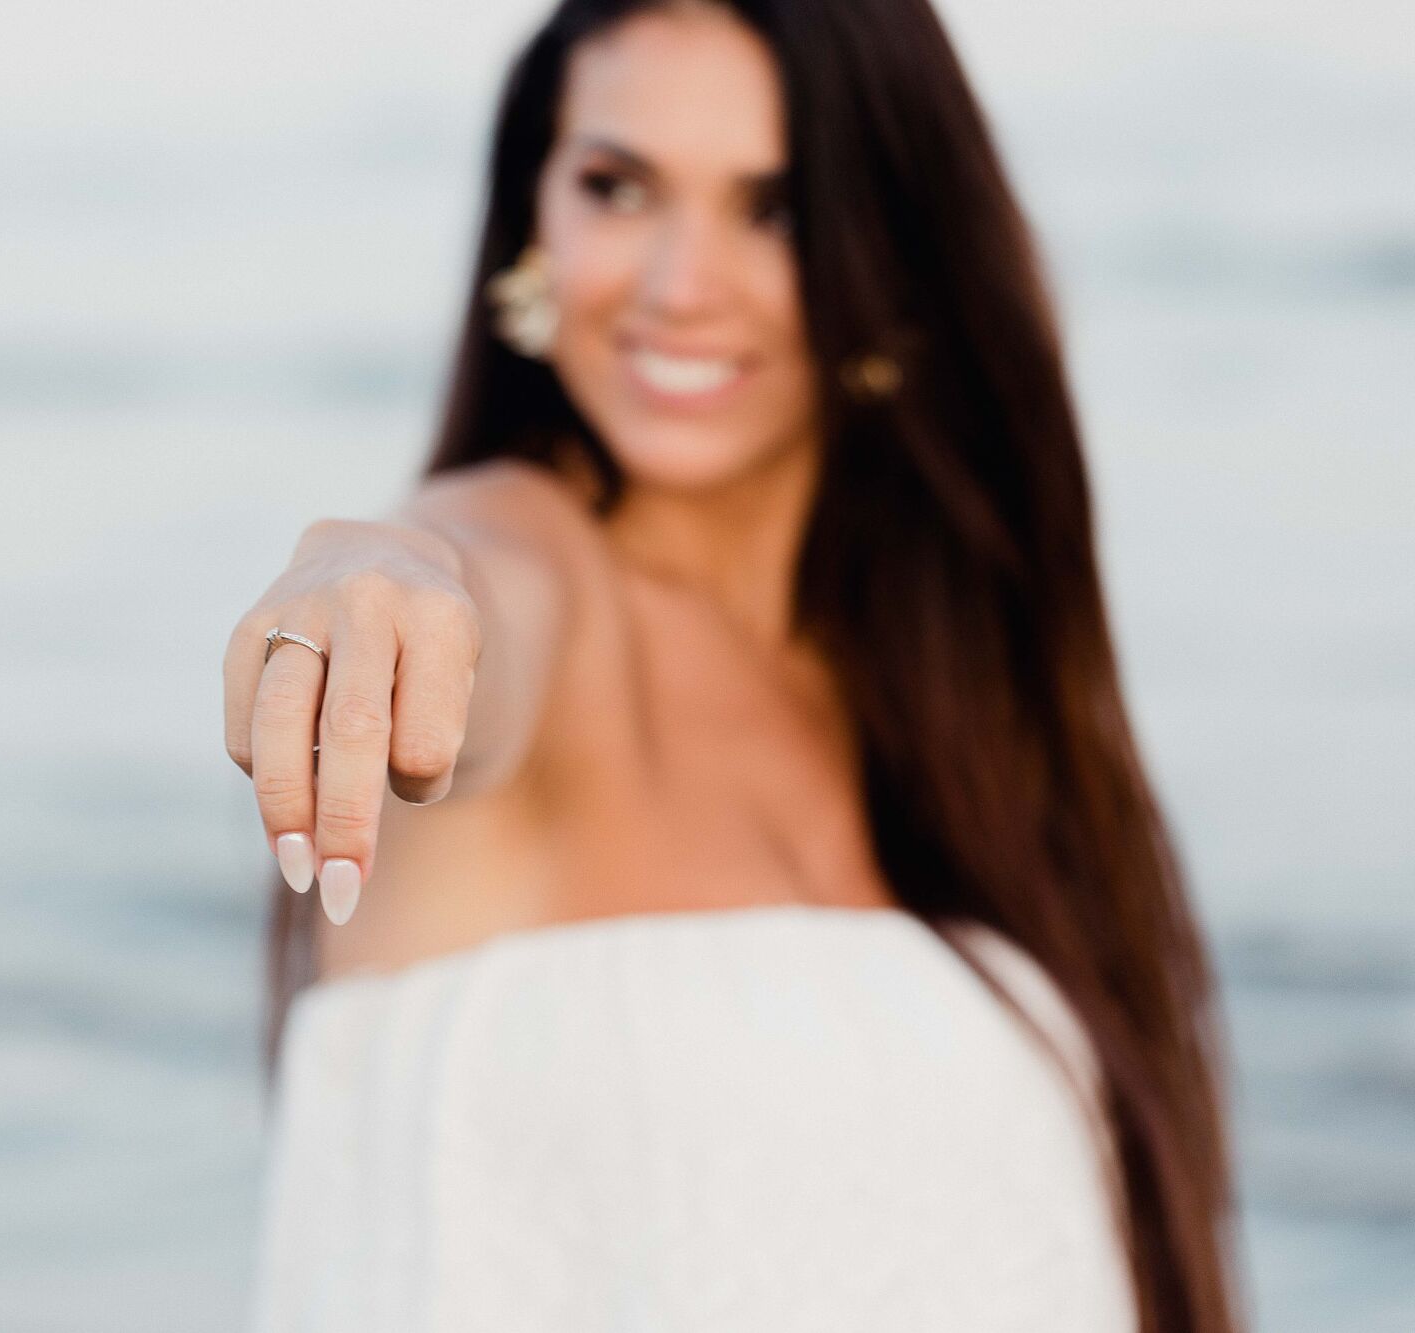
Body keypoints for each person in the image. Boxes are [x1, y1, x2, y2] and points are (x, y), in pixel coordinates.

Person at [221, 1, 1243, 1328]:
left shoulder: (952, 686)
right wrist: (383, 583)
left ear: (899, 243)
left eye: (775, 207)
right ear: (533, 214)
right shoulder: (534, 575)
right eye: (618, 185)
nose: (680, 284)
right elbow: (472, 606)